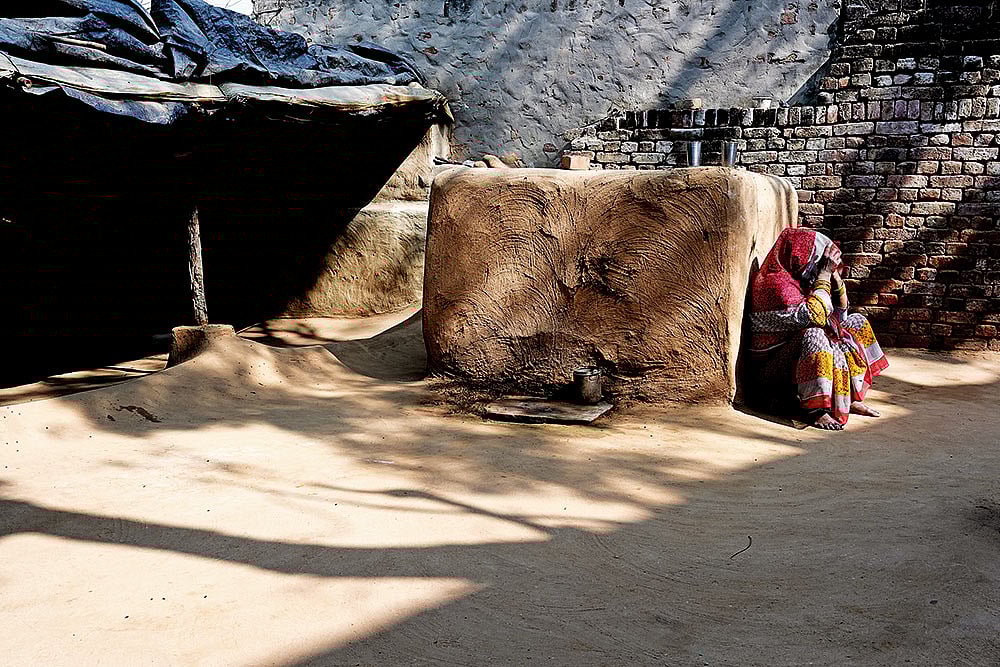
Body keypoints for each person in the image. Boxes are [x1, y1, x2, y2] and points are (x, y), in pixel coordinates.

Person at [750, 228, 889, 430]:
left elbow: (840, 314)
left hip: (795, 358)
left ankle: (850, 397)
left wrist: (835, 278)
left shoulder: (801, 280)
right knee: (815, 335)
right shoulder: (775, 284)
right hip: (772, 369)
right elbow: (816, 315)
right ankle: (816, 410)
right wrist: (823, 274)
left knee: (856, 322)